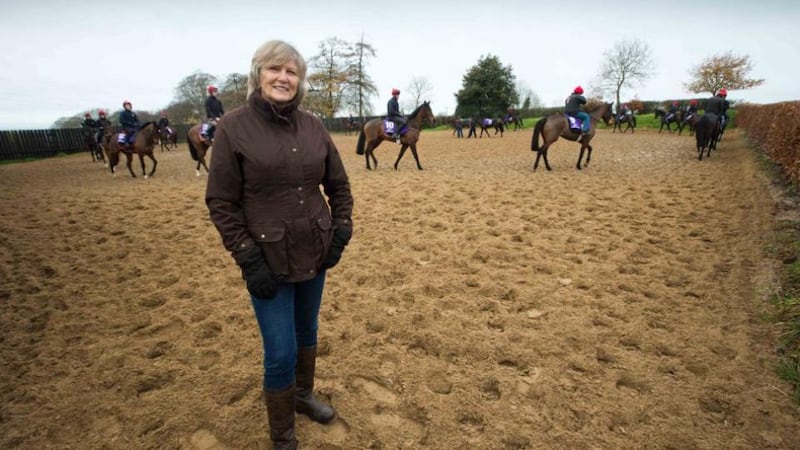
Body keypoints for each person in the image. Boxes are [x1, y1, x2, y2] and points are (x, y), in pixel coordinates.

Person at [205, 39, 354, 450]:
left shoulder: (313, 126)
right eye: (275, 69)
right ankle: (282, 434)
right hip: (267, 259)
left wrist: (341, 228)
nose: (283, 78)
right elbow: (221, 201)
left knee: (307, 331)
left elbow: (338, 184)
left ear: (300, 81)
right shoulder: (233, 127)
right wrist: (247, 257)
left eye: (291, 72)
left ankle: (303, 395)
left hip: (315, 250)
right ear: (258, 74)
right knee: (280, 351)